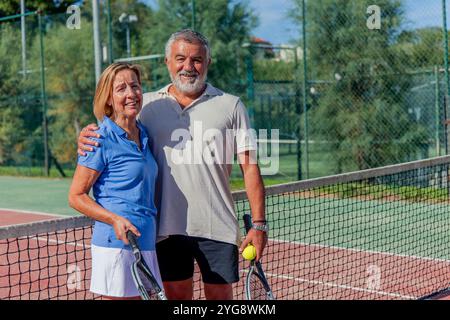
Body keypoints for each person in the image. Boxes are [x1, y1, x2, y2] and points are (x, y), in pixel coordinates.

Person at [77, 29, 267, 300]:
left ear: (208, 63)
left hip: (218, 227)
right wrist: (87, 136)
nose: (188, 67)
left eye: (197, 60)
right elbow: (114, 127)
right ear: (167, 61)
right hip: (164, 230)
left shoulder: (231, 106)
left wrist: (259, 225)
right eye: (180, 58)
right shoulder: (146, 105)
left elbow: (250, 167)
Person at [69, 62, 162, 299]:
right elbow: (76, 196)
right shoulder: (99, 138)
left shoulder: (144, 134)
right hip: (117, 245)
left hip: (146, 242)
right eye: (121, 89)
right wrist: (115, 219)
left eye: (135, 86)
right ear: (108, 98)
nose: (131, 94)